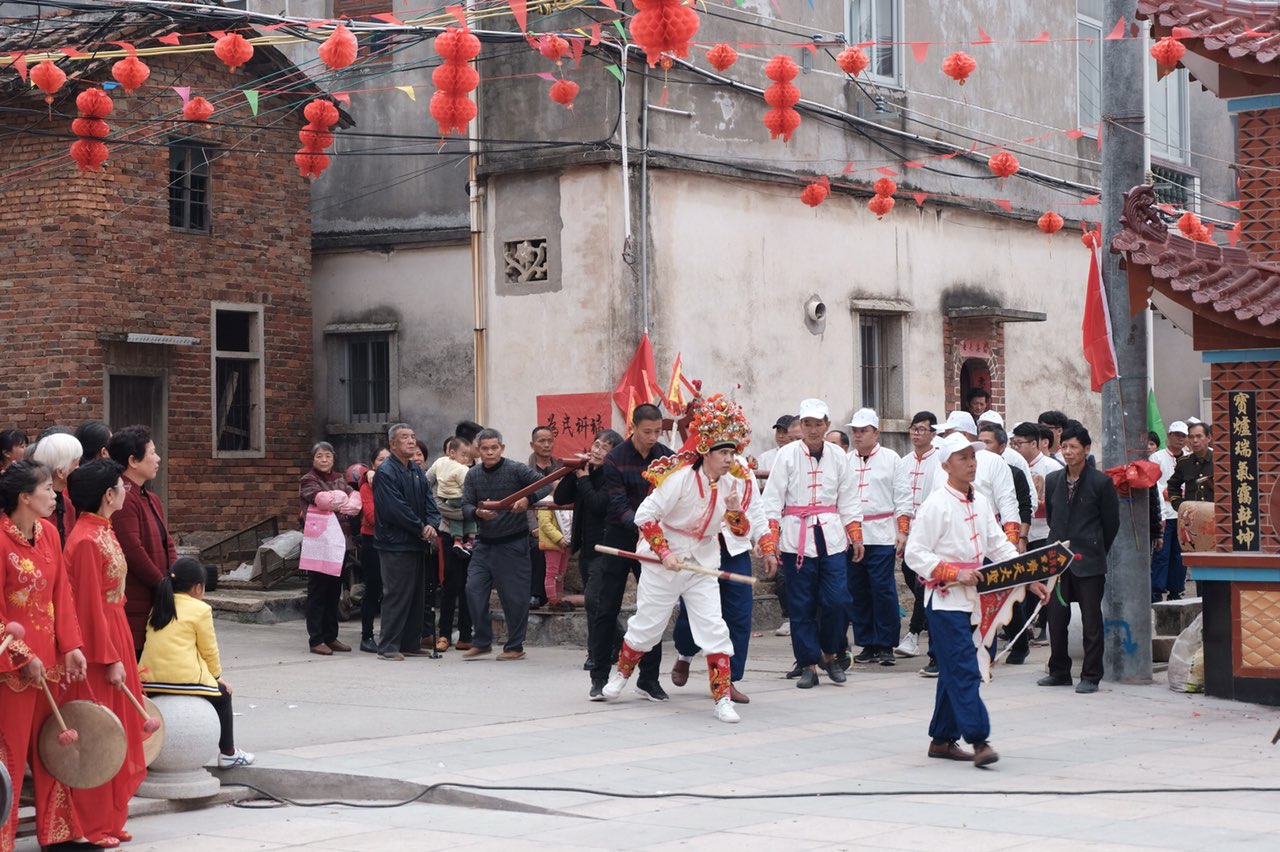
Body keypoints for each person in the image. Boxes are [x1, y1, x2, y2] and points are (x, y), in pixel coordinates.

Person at [602, 394, 756, 724]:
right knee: (648, 627)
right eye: (723, 453)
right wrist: (665, 552)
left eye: (732, 452)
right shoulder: (681, 478)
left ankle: (723, 699)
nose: (730, 459)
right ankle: (620, 676)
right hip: (664, 561)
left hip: (702, 564)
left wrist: (732, 509)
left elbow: (741, 533)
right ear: (706, 452)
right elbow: (645, 515)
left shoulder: (734, 484)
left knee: (715, 629)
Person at [905, 433, 1048, 768]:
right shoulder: (935, 504)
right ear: (945, 465)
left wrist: (1031, 580)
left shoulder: (980, 501)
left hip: (976, 599)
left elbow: (1000, 547)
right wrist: (953, 572)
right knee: (966, 670)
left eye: (972, 456)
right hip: (945, 602)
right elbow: (915, 554)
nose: (971, 463)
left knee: (956, 671)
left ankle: (942, 738)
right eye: (963, 458)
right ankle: (979, 739)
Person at [0, 461, 88, 851]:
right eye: (48, 490)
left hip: (49, 661)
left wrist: (71, 646)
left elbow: (62, 595)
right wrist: (21, 654)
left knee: (52, 747)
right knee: (11, 753)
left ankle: (60, 834)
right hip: (11, 667)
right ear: (24, 497)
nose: (55, 496)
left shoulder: (50, 534)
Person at [63, 459, 147, 846]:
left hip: (117, 632)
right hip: (100, 644)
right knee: (100, 733)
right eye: (121, 485)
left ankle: (111, 818)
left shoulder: (103, 530)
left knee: (120, 727)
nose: (126, 490)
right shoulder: (83, 539)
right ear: (107, 494)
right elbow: (86, 607)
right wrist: (108, 657)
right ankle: (91, 824)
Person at [760, 398, 863, 689]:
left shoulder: (839, 456)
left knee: (838, 601)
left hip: (831, 537)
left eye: (818, 424)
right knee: (801, 605)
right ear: (800, 426)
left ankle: (829, 655)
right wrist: (771, 542)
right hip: (797, 538)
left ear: (827, 425)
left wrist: (856, 536)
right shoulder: (788, 455)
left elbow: (849, 499)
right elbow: (773, 501)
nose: (813, 429)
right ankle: (808, 664)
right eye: (807, 424)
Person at [669, 402, 768, 705]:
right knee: (693, 613)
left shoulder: (745, 474)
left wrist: (767, 544)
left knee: (739, 616)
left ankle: (729, 681)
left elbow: (757, 511)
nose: (727, 455)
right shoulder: (690, 471)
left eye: (731, 447)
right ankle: (685, 653)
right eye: (720, 447)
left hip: (735, 550)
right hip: (701, 550)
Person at [587, 404, 674, 700]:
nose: (652, 437)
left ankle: (648, 680)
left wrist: (652, 531)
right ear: (633, 428)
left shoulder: (667, 457)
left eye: (657, 431)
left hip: (653, 540)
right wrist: (640, 525)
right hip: (620, 536)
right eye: (646, 431)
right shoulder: (615, 459)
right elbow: (617, 503)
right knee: (606, 605)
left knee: (653, 608)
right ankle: (599, 676)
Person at [139, 556, 253, 767]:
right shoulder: (201, 610)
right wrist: (218, 678)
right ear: (198, 588)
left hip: (148, 681)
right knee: (223, 696)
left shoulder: (159, 606)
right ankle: (228, 752)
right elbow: (209, 651)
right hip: (183, 680)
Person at [1038, 423, 1120, 694]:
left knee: (1091, 620)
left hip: (1089, 559)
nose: (1068, 452)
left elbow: (1111, 523)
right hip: (1058, 560)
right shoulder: (1053, 480)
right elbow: (1053, 517)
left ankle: (1091, 675)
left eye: (1074, 447)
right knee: (1056, 618)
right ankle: (1059, 670)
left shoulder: (1101, 482)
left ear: (1086, 449)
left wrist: (1096, 549)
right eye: (1064, 447)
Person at [460, 429, 554, 661]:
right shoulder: (473, 475)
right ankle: (482, 641)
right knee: (473, 590)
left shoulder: (515, 469)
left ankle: (515, 646)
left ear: (502, 448)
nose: (490, 452)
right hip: (484, 544)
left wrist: (527, 499)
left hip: (513, 543)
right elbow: (465, 505)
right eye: (485, 448)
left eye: (494, 447)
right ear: (478, 450)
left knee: (515, 598)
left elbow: (546, 485)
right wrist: (478, 513)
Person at [554, 428, 622, 672]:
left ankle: (596, 653)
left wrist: (583, 479)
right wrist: (574, 473)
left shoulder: (613, 475)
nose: (597, 451)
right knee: (599, 604)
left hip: (606, 546)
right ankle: (621, 641)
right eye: (596, 445)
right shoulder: (585, 470)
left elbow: (598, 503)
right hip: (586, 549)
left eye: (605, 448)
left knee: (593, 602)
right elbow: (560, 498)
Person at [107, 425, 177, 655]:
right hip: (138, 599)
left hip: (157, 595)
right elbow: (132, 550)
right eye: (152, 453)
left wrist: (174, 576)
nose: (157, 458)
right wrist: (161, 583)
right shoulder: (123, 499)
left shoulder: (151, 498)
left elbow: (168, 542)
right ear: (133, 461)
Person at [372, 424, 440, 661]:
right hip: (395, 543)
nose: (411, 441)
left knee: (416, 596)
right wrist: (420, 527)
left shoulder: (416, 469)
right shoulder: (386, 472)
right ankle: (388, 646)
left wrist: (432, 523)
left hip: (417, 541)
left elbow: (429, 499)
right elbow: (394, 508)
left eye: (413, 437)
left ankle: (410, 643)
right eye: (405, 438)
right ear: (392, 444)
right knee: (397, 594)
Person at [845, 408, 902, 666]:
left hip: (881, 533)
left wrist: (902, 530)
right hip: (852, 534)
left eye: (863, 431)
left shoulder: (891, 459)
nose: (858, 436)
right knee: (858, 589)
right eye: (855, 431)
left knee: (882, 589)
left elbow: (902, 496)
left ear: (876, 433)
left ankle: (887, 642)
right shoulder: (846, 460)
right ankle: (867, 642)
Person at [1004, 420, 1064, 663]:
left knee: (1042, 582)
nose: (1016, 448)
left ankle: (1042, 626)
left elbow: (1056, 504)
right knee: (1023, 583)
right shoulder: (1011, 466)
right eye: (1013, 443)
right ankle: (1023, 628)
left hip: (1044, 533)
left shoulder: (1051, 467)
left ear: (1036, 443)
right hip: (1020, 534)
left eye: (1020, 443)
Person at [299, 442, 361, 656]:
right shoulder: (308, 479)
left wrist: (342, 500)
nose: (324, 460)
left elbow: (356, 501)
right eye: (319, 456)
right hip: (320, 543)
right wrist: (342, 499)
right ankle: (316, 639)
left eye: (327, 456)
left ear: (333, 458)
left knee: (334, 590)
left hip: (340, 540)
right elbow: (322, 500)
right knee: (318, 590)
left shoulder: (339, 478)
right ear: (313, 459)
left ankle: (331, 636)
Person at [893, 410, 940, 669]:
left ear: (933, 433)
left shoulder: (940, 461)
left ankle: (913, 633)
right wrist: (902, 529)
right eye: (913, 428)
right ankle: (922, 622)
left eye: (922, 429)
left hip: (932, 531)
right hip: (909, 530)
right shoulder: (905, 461)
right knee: (909, 573)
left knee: (925, 582)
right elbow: (900, 496)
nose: (916, 433)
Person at [1150, 421, 1189, 603]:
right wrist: (1165, 492)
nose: (1180, 439)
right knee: (1162, 553)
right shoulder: (1157, 458)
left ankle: (1176, 589)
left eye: (1183, 436)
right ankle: (1157, 590)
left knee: (1179, 554)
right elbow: (1153, 483)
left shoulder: (1189, 457)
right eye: (1177, 435)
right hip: (1165, 513)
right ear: (1169, 435)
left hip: (1184, 514)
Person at [357, 447, 390, 653]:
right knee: (373, 588)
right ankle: (367, 636)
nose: (385, 463)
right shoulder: (367, 486)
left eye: (388, 459)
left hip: (394, 541)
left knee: (392, 591)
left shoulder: (398, 480)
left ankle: (389, 634)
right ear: (373, 465)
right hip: (372, 541)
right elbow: (371, 516)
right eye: (380, 459)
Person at [1167, 420, 1214, 555]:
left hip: (1215, 517)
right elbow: (1173, 485)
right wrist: (1180, 505)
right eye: (1191, 437)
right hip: (1193, 520)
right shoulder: (1184, 463)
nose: (1195, 441)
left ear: (1208, 438)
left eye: (1199, 436)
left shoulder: (1220, 460)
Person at [526, 426, 561, 609]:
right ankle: (536, 594)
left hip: (560, 522)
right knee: (537, 546)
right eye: (542, 441)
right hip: (536, 524)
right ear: (533, 445)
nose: (547, 445)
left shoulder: (561, 468)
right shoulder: (525, 470)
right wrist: (534, 527)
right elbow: (525, 503)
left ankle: (557, 594)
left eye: (550, 441)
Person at [28, 431, 83, 544]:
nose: (79, 468)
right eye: (76, 464)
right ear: (61, 472)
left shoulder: (68, 504)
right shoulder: (36, 506)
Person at [429, 438, 479, 559]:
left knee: (456, 519)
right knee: (467, 516)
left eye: (468, 455)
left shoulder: (439, 462)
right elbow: (467, 489)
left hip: (447, 500)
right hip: (459, 499)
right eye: (463, 455)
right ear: (452, 452)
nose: (466, 459)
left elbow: (427, 480)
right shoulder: (462, 469)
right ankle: (471, 540)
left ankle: (458, 541)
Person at [536, 498, 574, 610]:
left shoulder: (567, 500)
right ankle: (552, 600)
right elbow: (545, 523)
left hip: (567, 542)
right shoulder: (546, 502)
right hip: (553, 543)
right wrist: (559, 538)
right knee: (552, 572)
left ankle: (559, 598)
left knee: (561, 573)